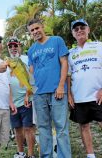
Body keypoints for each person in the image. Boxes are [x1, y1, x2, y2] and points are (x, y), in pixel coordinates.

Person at [27, 19, 71, 158]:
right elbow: (32, 72)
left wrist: (60, 86)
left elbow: (64, 63)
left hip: (56, 91)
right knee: (43, 128)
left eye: (37, 28)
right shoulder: (31, 50)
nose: (35, 31)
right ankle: (46, 156)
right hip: (39, 94)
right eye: (32, 30)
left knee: (61, 128)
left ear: (43, 27)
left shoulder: (57, 40)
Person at [68, 19, 102, 158]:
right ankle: (90, 155)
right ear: (73, 34)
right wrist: (69, 95)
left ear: (88, 29)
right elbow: (68, 76)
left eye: (82, 27)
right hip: (79, 96)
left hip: (97, 95)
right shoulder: (70, 53)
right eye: (76, 29)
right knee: (83, 126)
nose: (79, 30)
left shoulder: (99, 46)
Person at [7, 37, 35, 158]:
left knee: (28, 128)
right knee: (17, 129)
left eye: (15, 45)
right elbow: (6, 84)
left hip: (27, 100)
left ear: (19, 46)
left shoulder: (26, 59)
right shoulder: (5, 63)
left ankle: (30, 154)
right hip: (13, 103)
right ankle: (20, 153)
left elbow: (32, 78)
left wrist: (28, 95)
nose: (13, 48)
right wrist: (10, 101)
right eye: (10, 46)